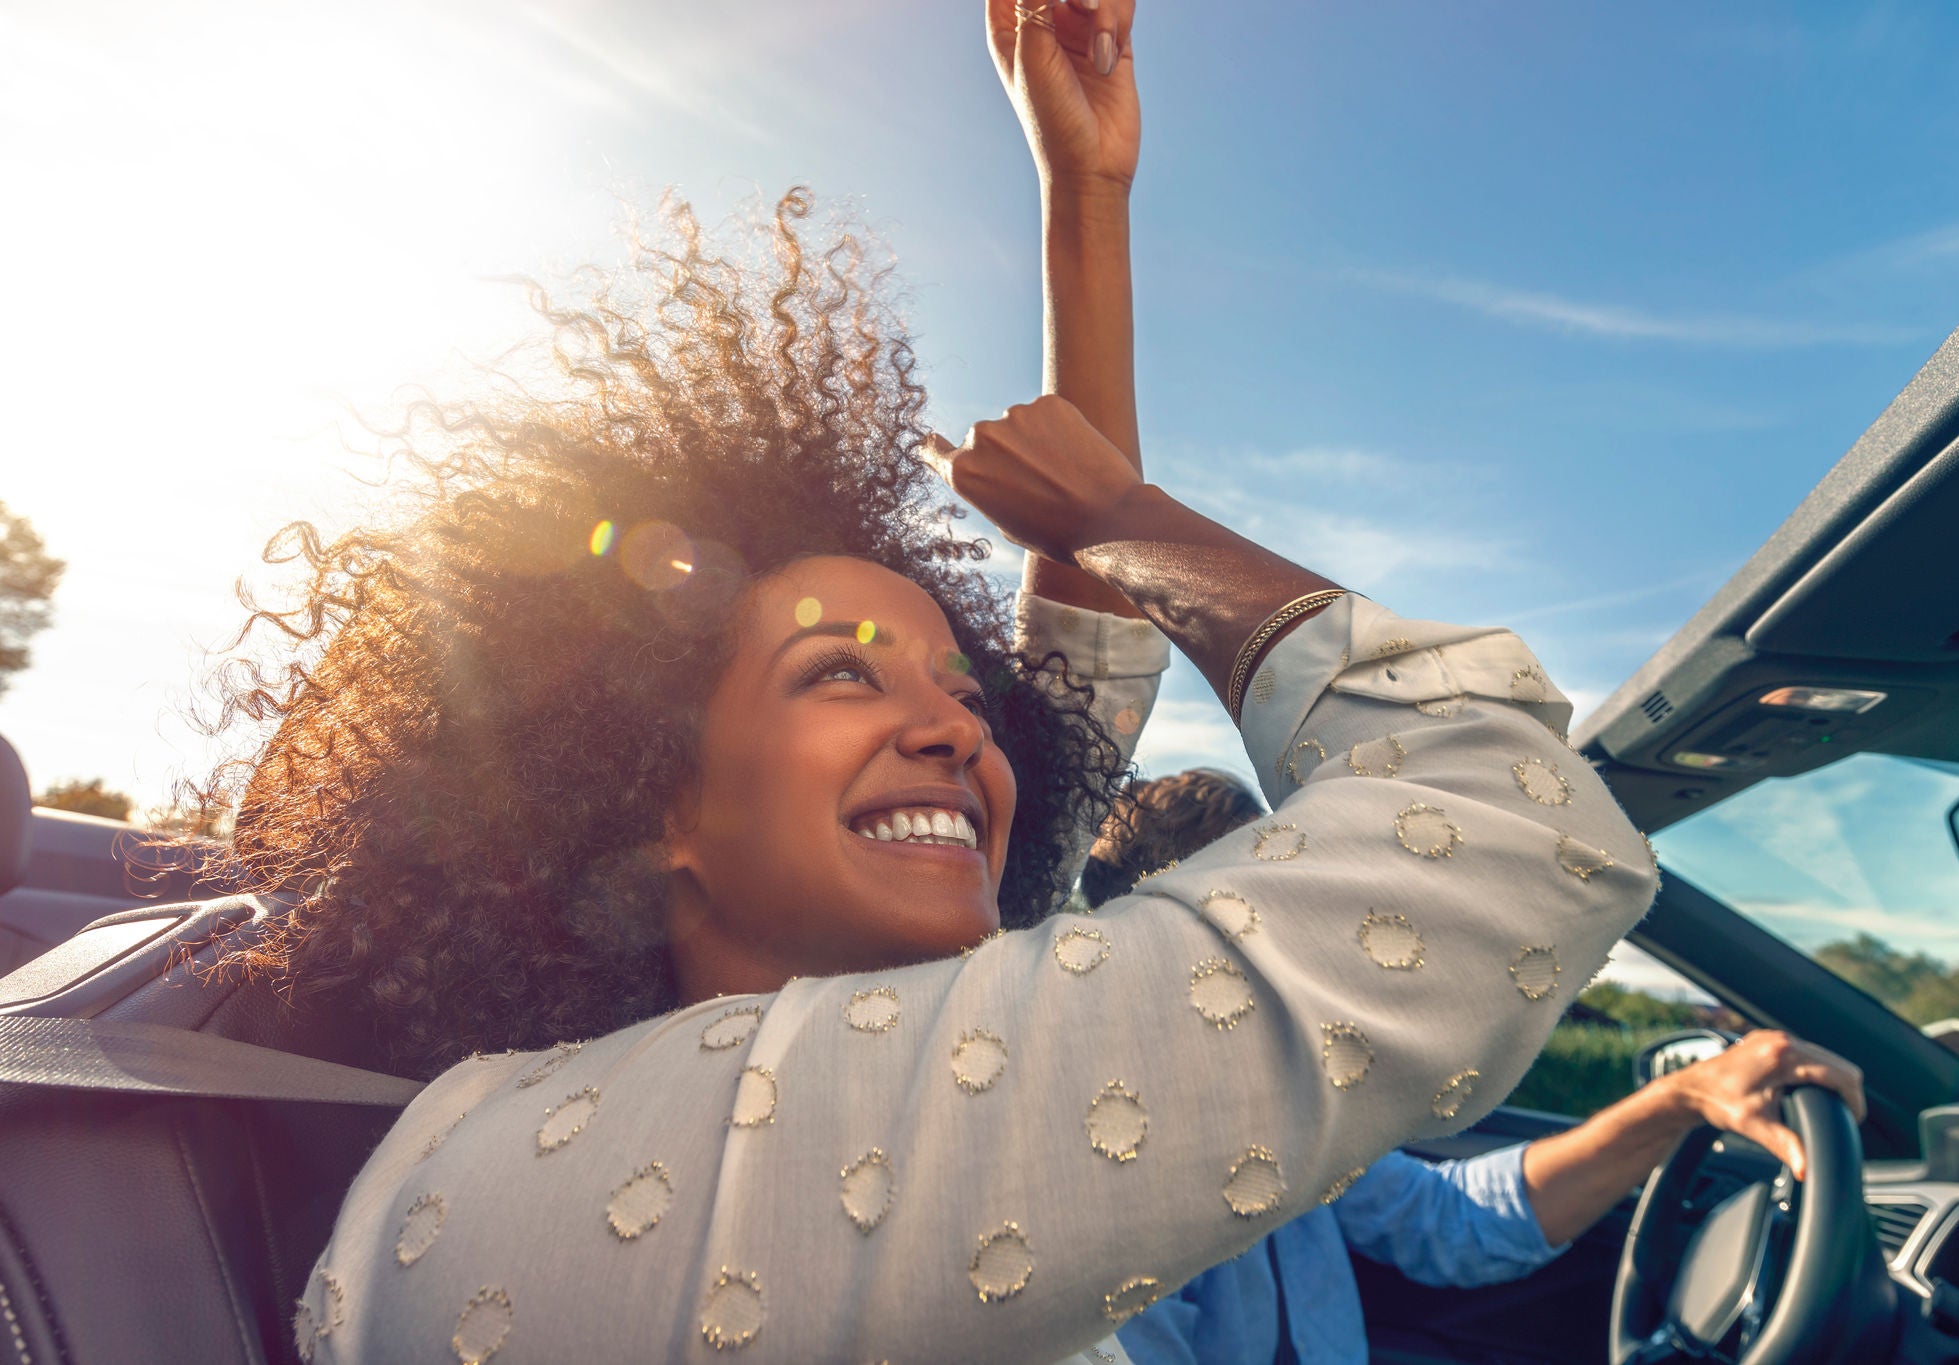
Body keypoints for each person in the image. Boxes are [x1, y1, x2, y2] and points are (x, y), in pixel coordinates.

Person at [237, 3, 1656, 1360]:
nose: (951, 727)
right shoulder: (692, 1146)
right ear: (647, 793)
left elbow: (1078, 690)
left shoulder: (793, 1078)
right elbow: (1511, 821)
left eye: (968, 700)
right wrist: (1124, 522)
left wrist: (1083, 199)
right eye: (837, 679)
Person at [1081, 772, 1866, 1365]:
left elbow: (1451, 1222)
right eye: (1272, 918)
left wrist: (1681, 1097)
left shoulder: (1283, 1107)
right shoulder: (1106, 1182)